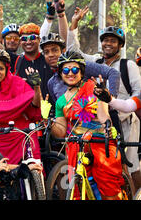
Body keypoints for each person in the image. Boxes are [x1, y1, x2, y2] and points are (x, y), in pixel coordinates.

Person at [67, 12, 141, 184]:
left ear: (120, 45)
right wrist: (74, 25)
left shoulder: (127, 65)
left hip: (125, 122)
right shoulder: (95, 62)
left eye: (113, 41)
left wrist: (122, 104)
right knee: (106, 164)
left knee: (129, 166)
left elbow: (138, 92)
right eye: (105, 40)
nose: (108, 44)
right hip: (100, 122)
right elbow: (73, 53)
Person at [50, 51, 125, 200]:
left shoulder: (95, 89)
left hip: (101, 143)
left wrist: (108, 128)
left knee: (109, 190)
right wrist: (47, 121)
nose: (70, 73)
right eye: (65, 70)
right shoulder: (60, 102)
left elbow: (103, 114)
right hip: (77, 148)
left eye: (74, 69)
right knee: (77, 191)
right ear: (60, 73)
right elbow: (60, 132)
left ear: (82, 71)